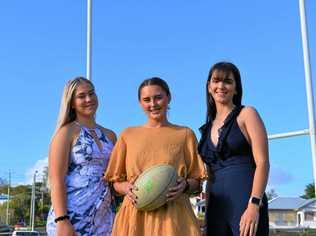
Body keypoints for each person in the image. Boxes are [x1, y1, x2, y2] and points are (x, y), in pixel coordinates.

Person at [104, 77, 206, 236]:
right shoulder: (127, 135)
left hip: (174, 217)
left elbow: (197, 180)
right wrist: (126, 188)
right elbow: (114, 182)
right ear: (140, 103)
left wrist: (184, 186)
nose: (153, 104)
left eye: (158, 97)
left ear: (168, 97)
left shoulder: (185, 134)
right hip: (136, 216)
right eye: (146, 100)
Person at [198, 62, 269, 236]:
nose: (221, 86)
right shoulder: (205, 130)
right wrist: (206, 216)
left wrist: (254, 204)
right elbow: (209, 175)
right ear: (209, 87)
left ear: (236, 88)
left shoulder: (247, 114)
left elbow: (263, 162)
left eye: (228, 81)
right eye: (216, 81)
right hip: (216, 207)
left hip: (245, 200)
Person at [46, 77, 116, 236]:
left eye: (92, 93)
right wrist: (62, 220)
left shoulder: (111, 135)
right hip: (72, 219)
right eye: (81, 96)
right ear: (71, 102)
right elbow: (56, 179)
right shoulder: (66, 133)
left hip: (103, 220)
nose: (89, 99)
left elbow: (116, 177)